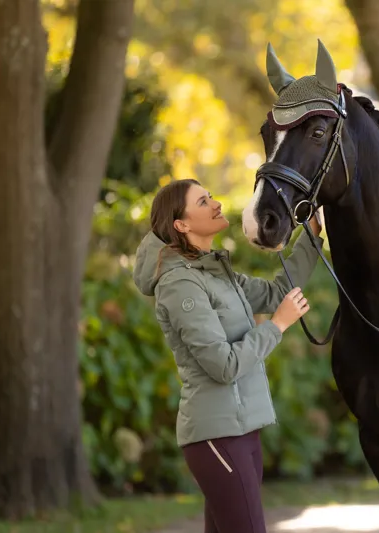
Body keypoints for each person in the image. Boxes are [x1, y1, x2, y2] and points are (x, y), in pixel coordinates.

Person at [133, 178, 323, 533]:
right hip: (217, 437)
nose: (216, 203)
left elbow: (278, 292)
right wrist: (277, 326)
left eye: (211, 196)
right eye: (203, 202)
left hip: (242, 432)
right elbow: (224, 365)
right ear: (181, 225)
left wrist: (312, 232)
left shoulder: (215, 273)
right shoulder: (180, 284)